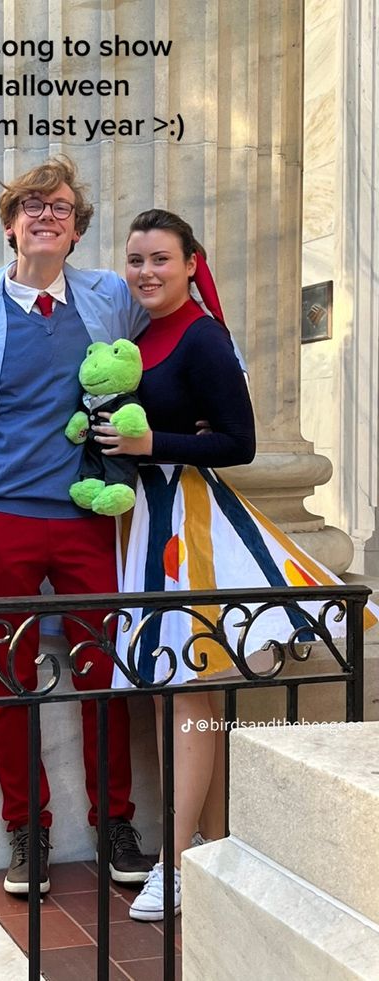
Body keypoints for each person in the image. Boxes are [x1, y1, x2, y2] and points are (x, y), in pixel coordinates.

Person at [94, 208, 378, 922]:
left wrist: (150, 442)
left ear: (193, 262)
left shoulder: (202, 336)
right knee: (184, 695)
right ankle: (210, 847)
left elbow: (238, 443)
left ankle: (174, 861)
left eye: (160, 258)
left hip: (188, 528)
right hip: (145, 526)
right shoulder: (140, 335)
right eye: (136, 260)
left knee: (182, 687)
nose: (146, 271)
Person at [0, 157, 152, 895]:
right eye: (33, 206)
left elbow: (173, 312)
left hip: (88, 522)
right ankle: (27, 831)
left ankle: (115, 821)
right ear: (11, 223)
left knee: (101, 676)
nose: (47, 216)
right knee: (9, 682)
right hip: (3, 526)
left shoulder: (108, 299)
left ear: (77, 231)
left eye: (62, 208)